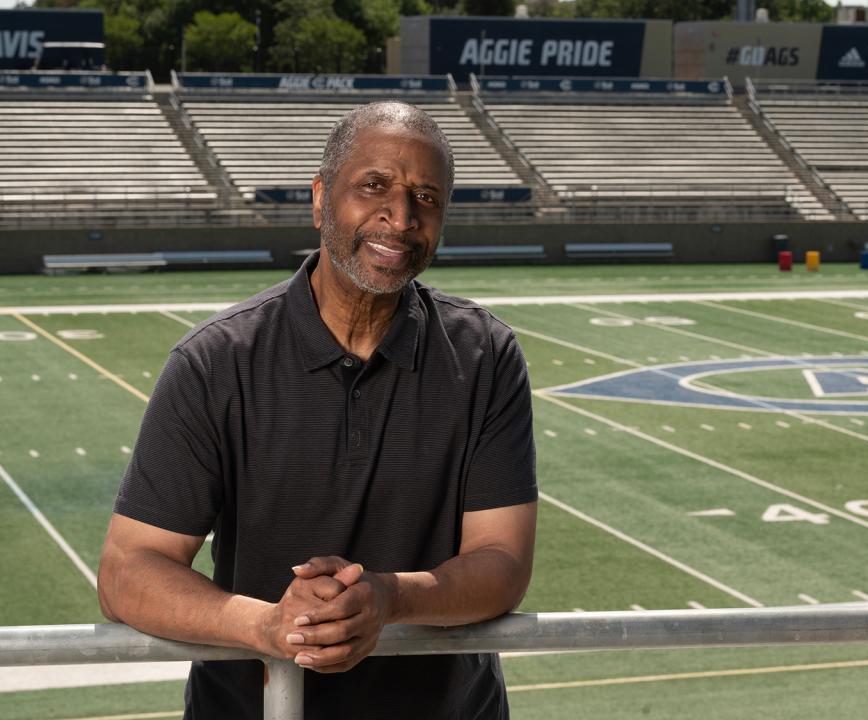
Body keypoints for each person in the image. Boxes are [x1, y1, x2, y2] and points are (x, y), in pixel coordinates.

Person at [97, 101, 538, 719]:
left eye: (427, 197)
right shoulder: (214, 362)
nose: (401, 216)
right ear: (319, 198)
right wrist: (271, 625)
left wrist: (386, 599)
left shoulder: (485, 354)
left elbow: (504, 562)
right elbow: (128, 570)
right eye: (374, 186)